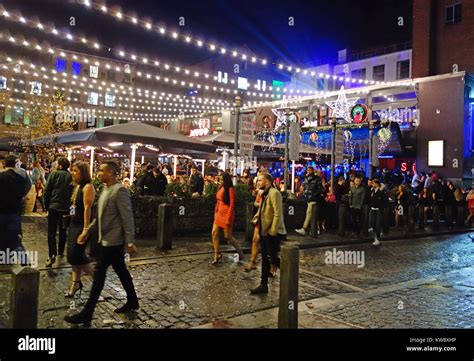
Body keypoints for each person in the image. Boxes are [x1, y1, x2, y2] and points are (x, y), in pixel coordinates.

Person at [64, 161, 139, 326]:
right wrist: (87, 231)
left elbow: (127, 217)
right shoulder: (105, 190)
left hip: (113, 241)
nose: (98, 173)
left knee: (99, 274)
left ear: (111, 173)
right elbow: (99, 217)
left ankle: (87, 312)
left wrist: (130, 241)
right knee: (121, 270)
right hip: (105, 239)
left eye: (101, 170)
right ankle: (133, 300)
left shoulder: (120, 191)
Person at [250, 173, 286, 294]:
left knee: (272, 258)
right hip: (264, 230)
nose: (257, 182)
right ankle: (263, 285)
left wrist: (273, 232)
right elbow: (262, 209)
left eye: (260, 180)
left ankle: (290, 270)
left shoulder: (274, 193)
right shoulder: (264, 193)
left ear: (267, 182)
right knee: (265, 258)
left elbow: (277, 213)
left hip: (272, 232)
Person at [65, 162, 96, 298]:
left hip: (81, 225)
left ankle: (97, 278)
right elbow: (74, 205)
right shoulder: (77, 186)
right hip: (74, 223)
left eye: (75, 171)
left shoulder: (88, 187)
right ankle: (75, 284)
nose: (73, 173)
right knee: (73, 257)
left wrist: (85, 229)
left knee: (76, 255)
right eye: (72, 170)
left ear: (82, 172)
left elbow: (87, 209)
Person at [43, 157, 73, 267]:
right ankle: (61, 252)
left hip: (54, 207)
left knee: (51, 232)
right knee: (63, 230)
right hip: (66, 208)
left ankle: (52, 255)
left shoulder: (54, 174)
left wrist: (46, 207)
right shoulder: (70, 176)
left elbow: (47, 191)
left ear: (60, 165)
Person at [210, 172, 244, 265]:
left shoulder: (230, 189)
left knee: (228, 236)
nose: (220, 181)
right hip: (219, 213)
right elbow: (218, 201)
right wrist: (215, 212)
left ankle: (240, 252)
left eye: (221, 179)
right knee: (214, 233)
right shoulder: (221, 188)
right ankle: (216, 254)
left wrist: (229, 218)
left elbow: (232, 204)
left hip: (226, 213)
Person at [0, 155, 28, 256]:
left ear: (4, 164)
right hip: (15, 212)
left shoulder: (1, 176)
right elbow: (23, 192)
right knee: (15, 238)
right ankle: (24, 260)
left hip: (1, 211)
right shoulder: (20, 178)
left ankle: (4, 258)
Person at [295, 166, 322, 236]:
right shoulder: (306, 179)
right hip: (308, 199)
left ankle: (304, 228)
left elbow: (319, 189)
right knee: (313, 215)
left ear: (313, 171)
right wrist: (304, 193)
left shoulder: (317, 179)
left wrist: (313, 196)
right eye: (308, 170)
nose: (308, 172)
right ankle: (317, 229)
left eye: (310, 170)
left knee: (309, 213)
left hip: (314, 199)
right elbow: (305, 188)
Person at [369, 179, 387, 246]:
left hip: (378, 210)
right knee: (372, 224)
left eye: (373, 183)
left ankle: (377, 238)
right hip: (372, 209)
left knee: (377, 224)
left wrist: (380, 207)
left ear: (377, 184)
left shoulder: (381, 192)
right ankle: (377, 234)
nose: (372, 184)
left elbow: (385, 202)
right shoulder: (372, 191)